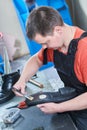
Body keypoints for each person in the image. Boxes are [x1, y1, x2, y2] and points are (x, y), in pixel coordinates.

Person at [13, 6, 87, 130]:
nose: (44, 47)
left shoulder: (84, 51)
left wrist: (58, 107)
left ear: (58, 30)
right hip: (72, 97)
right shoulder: (56, 45)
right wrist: (23, 79)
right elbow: (36, 60)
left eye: (46, 42)